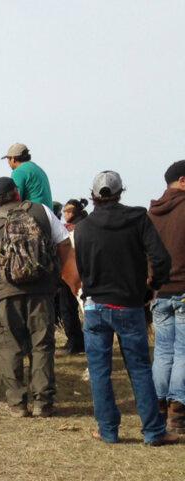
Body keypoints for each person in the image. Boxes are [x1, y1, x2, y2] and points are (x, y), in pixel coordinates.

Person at [73, 171, 175, 445]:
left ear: (94, 195)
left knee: (99, 371)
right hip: (129, 305)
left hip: (95, 306)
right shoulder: (138, 218)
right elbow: (161, 259)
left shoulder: (83, 227)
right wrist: (152, 287)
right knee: (139, 369)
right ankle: (153, 431)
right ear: (120, 193)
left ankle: (108, 430)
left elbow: (82, 268)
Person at [0, 178, 72, 418]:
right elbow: (64, 243)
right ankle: (43, 403)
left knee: (9, 347)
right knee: (42, 344)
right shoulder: (42, 211)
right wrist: (57, 275)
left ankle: (17, 404)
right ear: (16, 193)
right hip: (42, 291)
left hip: (6, 294)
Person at [149, 160, 185, 432]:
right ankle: (178, 410)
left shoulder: (152, 213)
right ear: (183, 181)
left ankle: (160, 404)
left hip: (159, 291)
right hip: (183, 288)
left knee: (162, 350)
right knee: (183, 350)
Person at [57, 199, 90, 354]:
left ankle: (78, 342)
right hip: (71, 271)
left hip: (79, 271)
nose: (65, 214)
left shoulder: (81, 227)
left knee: (77, 307)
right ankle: (76, 341)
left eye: (68, 211)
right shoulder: (65, 229)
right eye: (64, 211)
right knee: (69, 308)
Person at [2, 143, 53, 208]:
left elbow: (15, 201)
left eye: (8, 159)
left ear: (13, 159)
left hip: (34, 212)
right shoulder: (37, 168)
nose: (8, 163)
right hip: (48, 212)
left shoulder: (18, 171)